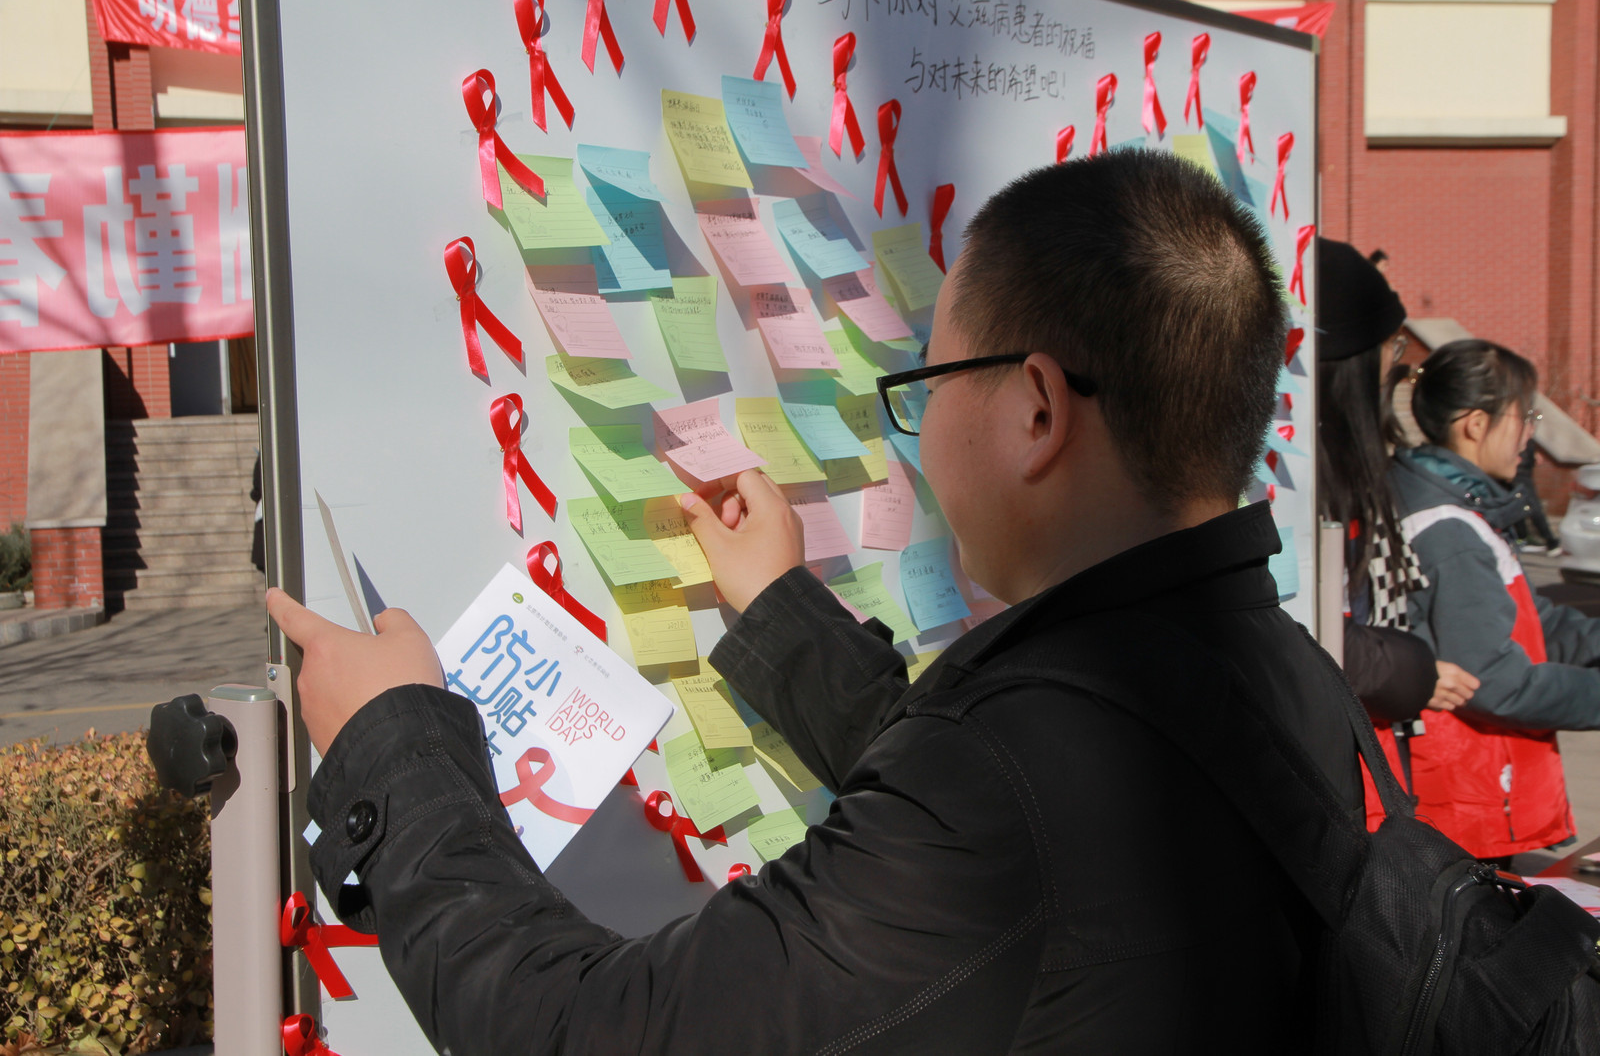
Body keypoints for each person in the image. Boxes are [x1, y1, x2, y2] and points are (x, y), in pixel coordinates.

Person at [267, 150, 1363, 1052]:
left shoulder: (1010, 794)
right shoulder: (1288, 677)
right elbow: (997, 800)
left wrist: (395, 749)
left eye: (926, 383)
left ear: (1036, 411)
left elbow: (592, 1032)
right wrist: (785, 615)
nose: (919, 429)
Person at [1388, 339, 1600, 865]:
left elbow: (1536, 623)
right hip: (1461, 806)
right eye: (1523, 417)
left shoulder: (1458, 505)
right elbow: (1497, 680)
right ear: (1476, 425)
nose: (1529, 435)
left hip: (1473, 794)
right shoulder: (1447, 528)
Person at [1314, 238, 1478, 731]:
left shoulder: (1344, 469)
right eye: (1393, 346)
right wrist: (1413, 671)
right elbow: (1310, 628)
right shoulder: (1295, 483)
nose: (1396, 365)